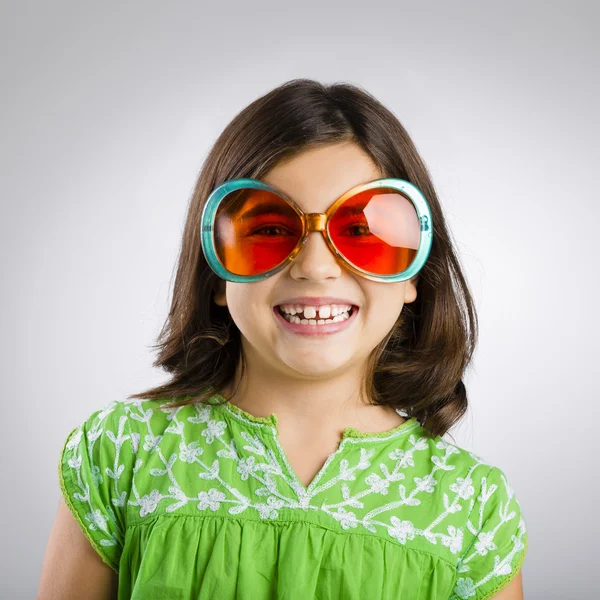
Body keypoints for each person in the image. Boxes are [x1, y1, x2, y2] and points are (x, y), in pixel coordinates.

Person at [39, 79, 528, 599]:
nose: (316, 267)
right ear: (217, 276)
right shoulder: (122, 454)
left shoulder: (471, 505)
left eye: (360, 231)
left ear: (412, 275)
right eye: (270, 230)